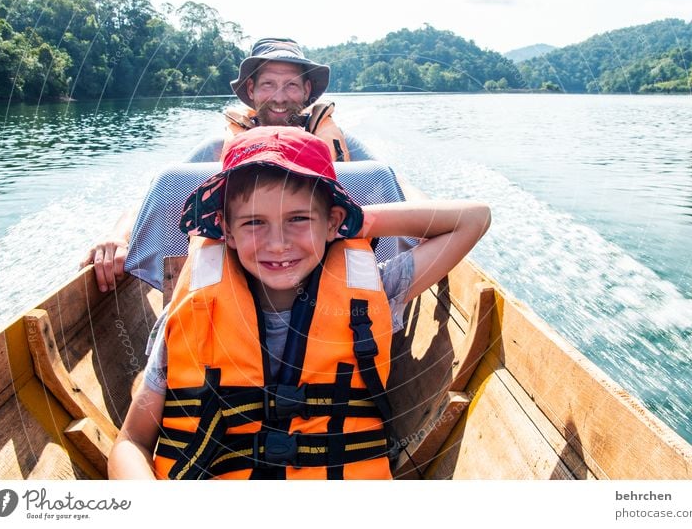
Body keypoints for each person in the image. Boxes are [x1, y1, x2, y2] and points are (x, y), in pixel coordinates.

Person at [108, 126, 490, 480]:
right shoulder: (190, 314)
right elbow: (131, 441)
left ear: (332, 222)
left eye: (298, 219)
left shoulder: (379, 290)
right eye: (255, 223)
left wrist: (357, 222)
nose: (277, 244)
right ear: (227, 231)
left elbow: (473, 219)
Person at [80, 37, 374, 293]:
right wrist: (118, 235)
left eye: (291, 86)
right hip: (245, 264)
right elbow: (161, 195)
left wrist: (421, 222)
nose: (280, 98)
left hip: (325, 264)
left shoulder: (335, 140)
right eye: (268, 84)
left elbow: (391, 185)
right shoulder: (219, 147)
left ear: (307, 90)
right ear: (252, 90)